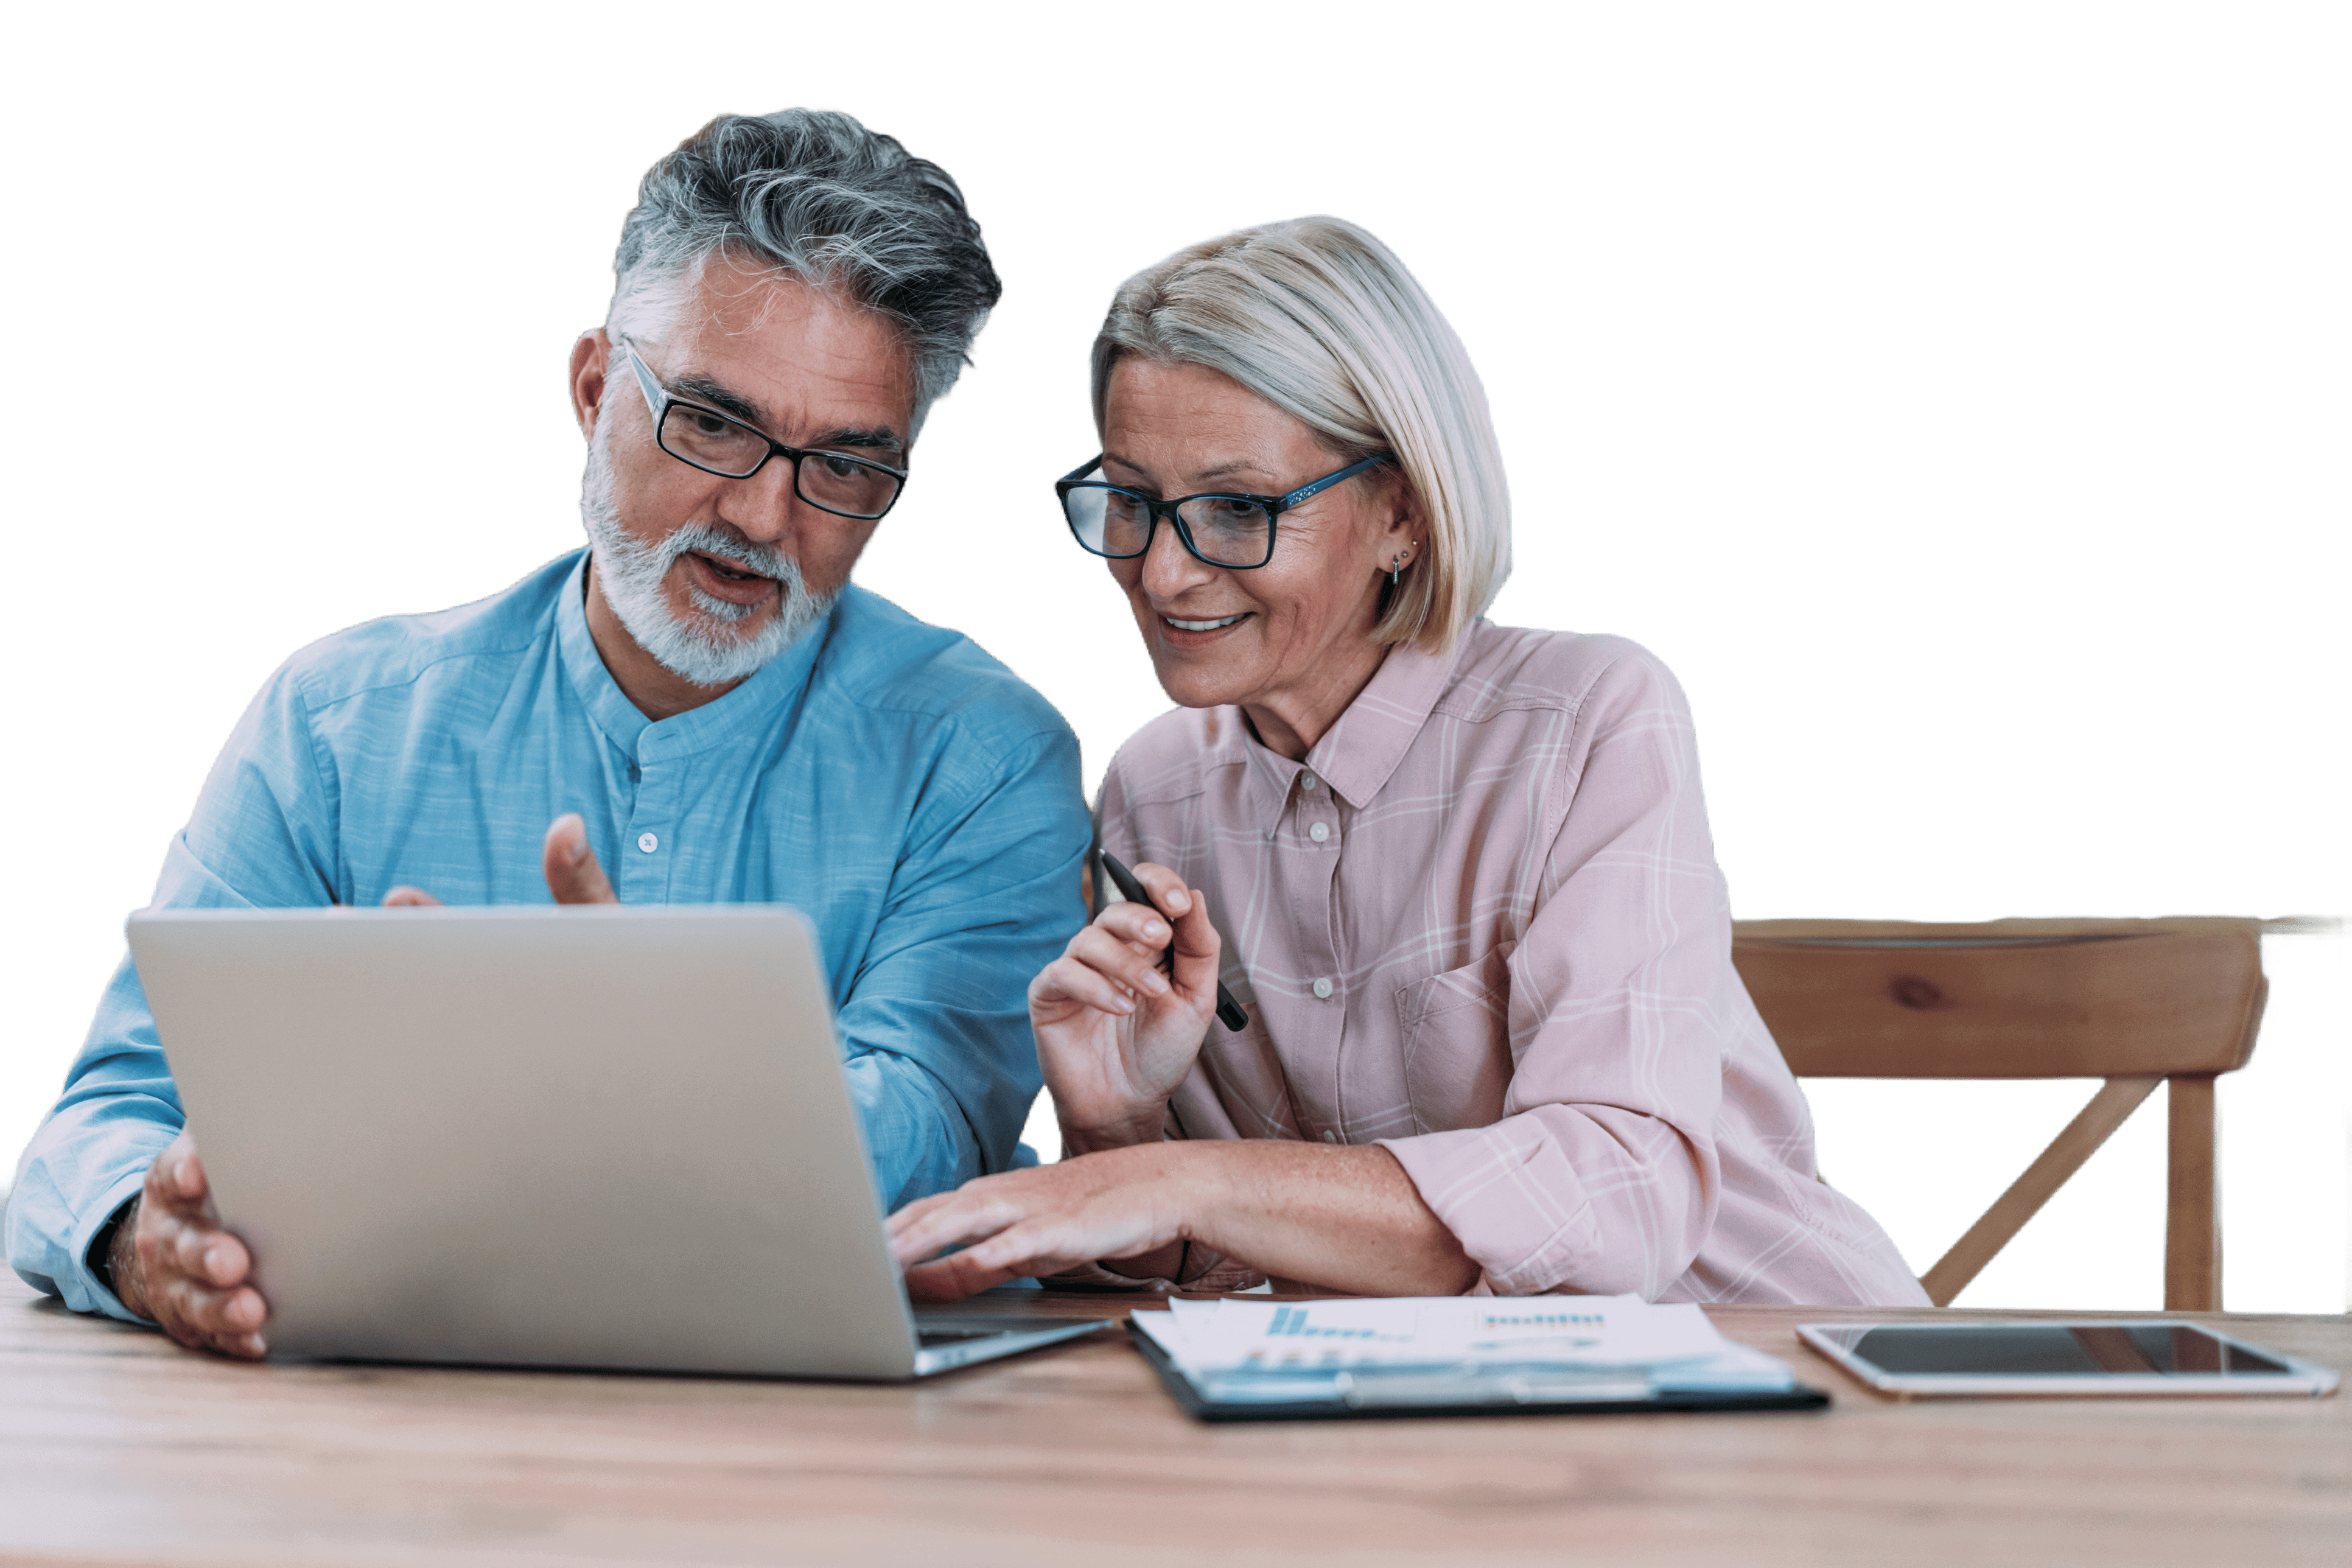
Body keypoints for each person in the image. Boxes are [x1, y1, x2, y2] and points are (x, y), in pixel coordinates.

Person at [7, 106, 1090, 1356]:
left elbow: (926, 1151)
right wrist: (145, 1242)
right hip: (380, 1438)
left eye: (846, 466)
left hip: (830, 1448)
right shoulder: (336, 726)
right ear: (593, 388)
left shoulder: (986, 756)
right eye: (714, 421)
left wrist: (635, 1061)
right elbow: (107, 1114)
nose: (762, 512)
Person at [890, 215, 1930, 1306]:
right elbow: (1214, 1250)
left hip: (1773, 1379)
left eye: (1238, 509)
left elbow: (1620, 1198)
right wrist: (1114, 1124)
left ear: (1405, 515)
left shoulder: (1591, 717)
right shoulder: (1156, 788)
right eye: (1133, 504)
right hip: (1431, 1429)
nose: (1162, 575)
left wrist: (1185, 1175)